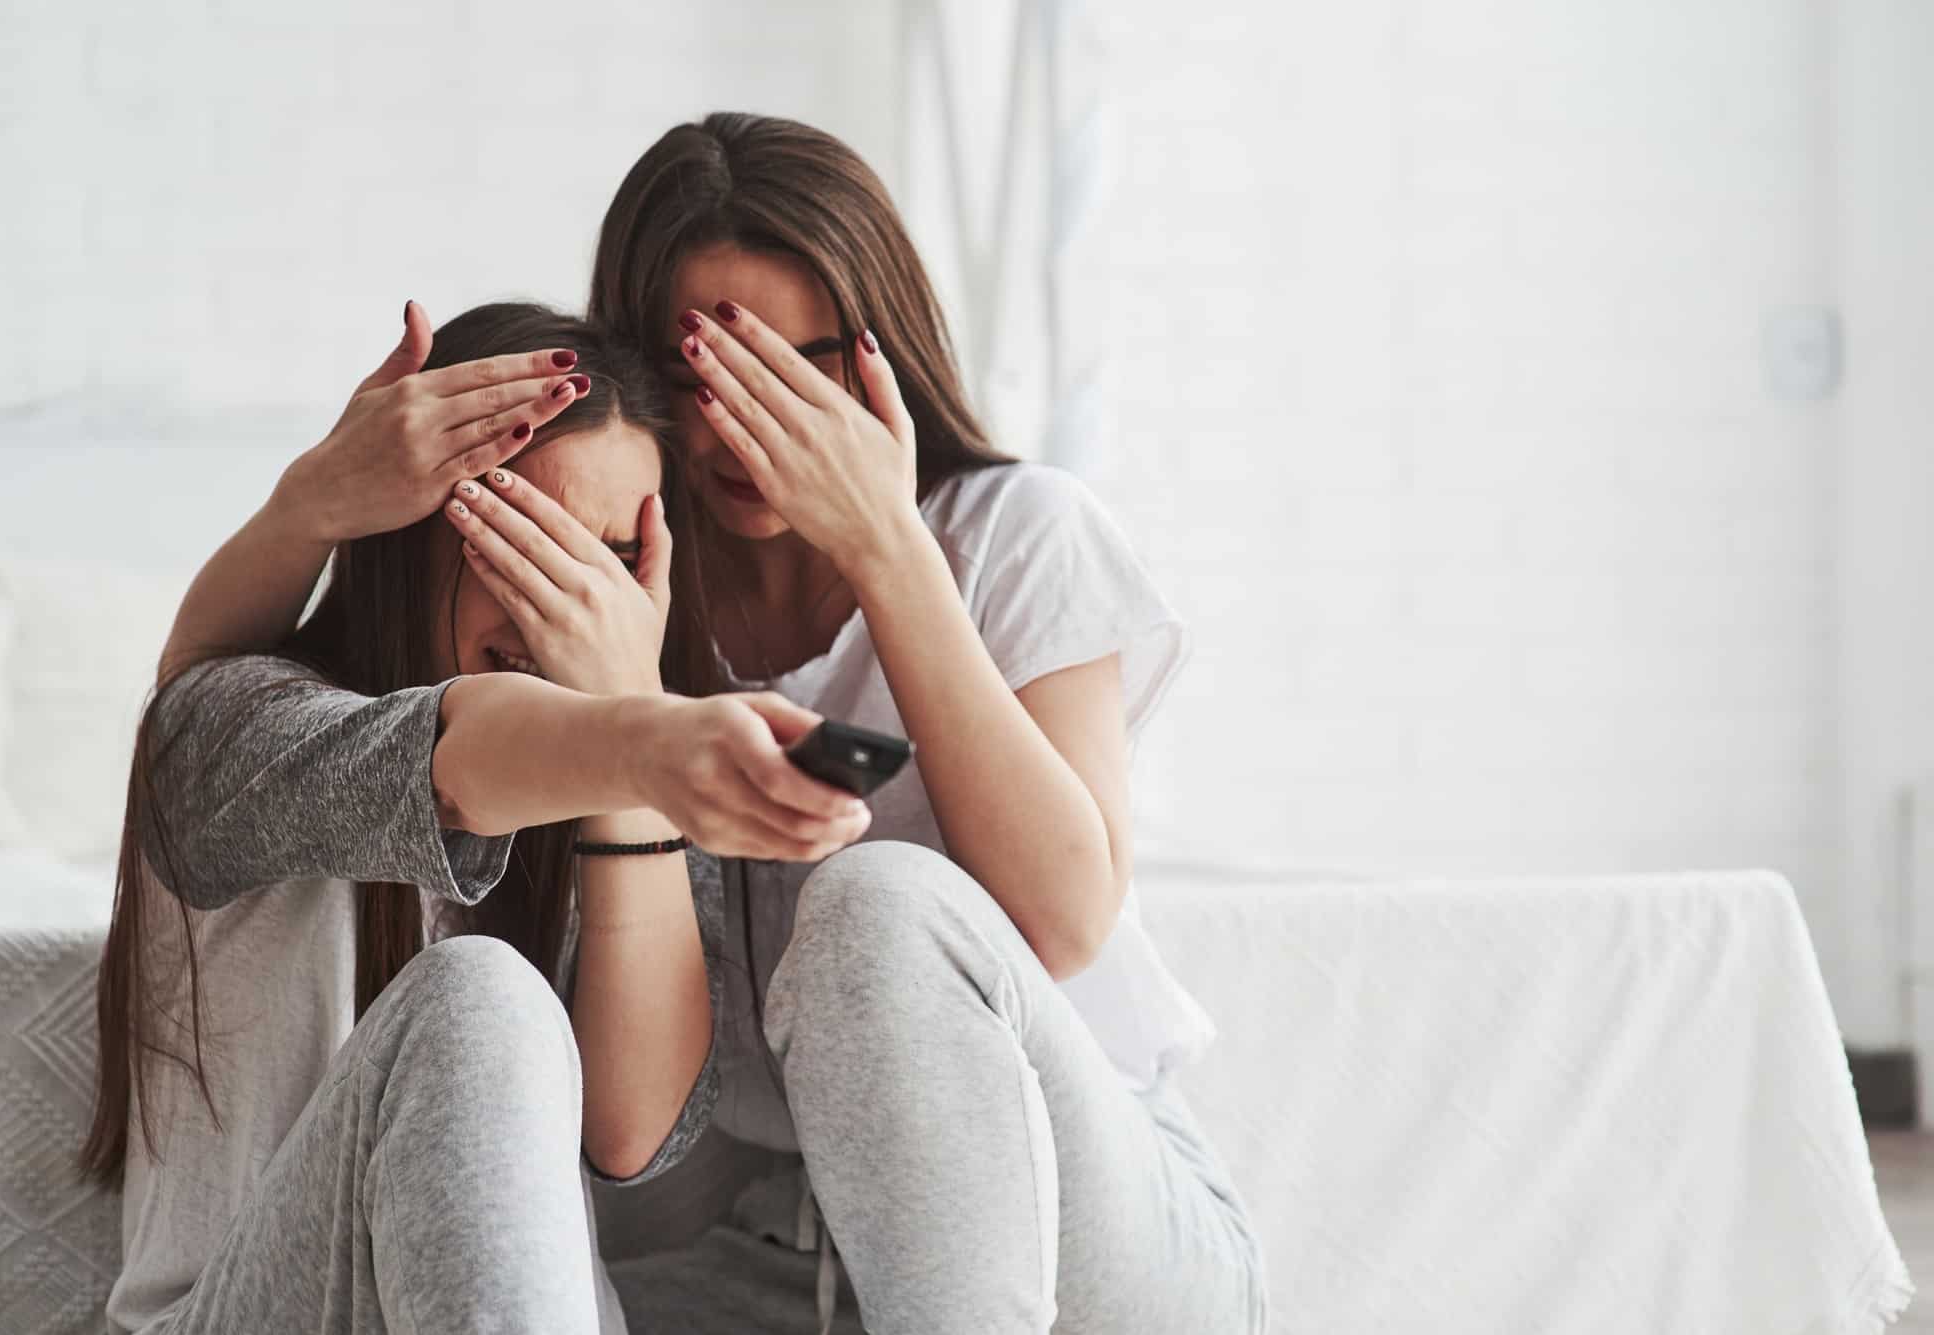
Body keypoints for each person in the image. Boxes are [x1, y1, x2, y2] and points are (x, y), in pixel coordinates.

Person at [165, 113, 1269, 1333]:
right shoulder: (643, 608)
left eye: (805, 366)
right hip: (749, 1252)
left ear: (878, 353)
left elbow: (1063, 921)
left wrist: (885, 545)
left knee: (876, 902)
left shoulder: (1009, 536)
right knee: (489, 1006)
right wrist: (630, 724)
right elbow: (206, 726)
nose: (757, 420)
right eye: (710, 373)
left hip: (1069, 1204)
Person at [83, 302, 870, 1335]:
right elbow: (453, 756)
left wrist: (629, 760)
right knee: (477, 992)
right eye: (521, 539)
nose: (566, 608)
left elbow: (632, 1133)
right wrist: (637, 739)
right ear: (415, 536)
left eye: (608, 561)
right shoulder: (226, 725)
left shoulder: (628, 788)